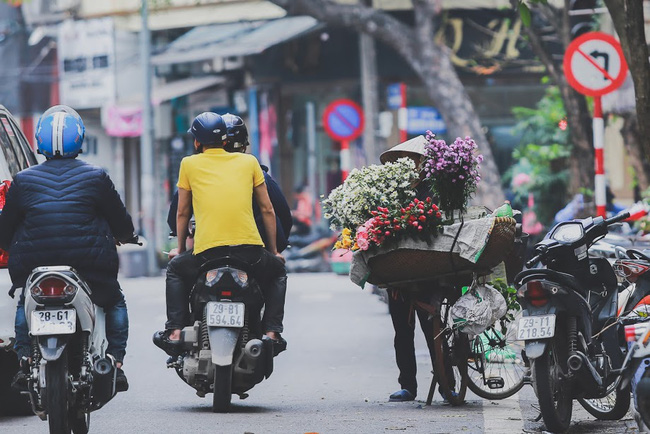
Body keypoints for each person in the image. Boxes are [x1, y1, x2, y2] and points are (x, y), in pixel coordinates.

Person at [0, 105, 135, 391]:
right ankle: (115, 361)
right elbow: (121, 222)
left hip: (34, 265)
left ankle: (24, 359)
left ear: (40, 141)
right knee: (113, 301)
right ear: (79, 139)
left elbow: (5, 229)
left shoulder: (23, 181)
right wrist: (126, 235)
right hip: (89, 265)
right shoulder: (97, 177)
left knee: (25, 298)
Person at [153, 112, 288, 357]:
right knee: (277, 271)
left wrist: (180, 248)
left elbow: (182, 213)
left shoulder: (188, 164)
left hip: (207, 255)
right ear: (225, 141)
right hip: (249, 253)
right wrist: (275, 251)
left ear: (196, 143)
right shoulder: (250, 163)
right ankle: (272, 333)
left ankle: (174, 331)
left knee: (175, 269)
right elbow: (268, 210)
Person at [379, 135, 437, 402]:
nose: (410, 164)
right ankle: (408, 385)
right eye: (406, 161)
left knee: (431, 327)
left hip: (428, 268)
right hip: (399, 271)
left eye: (414, 160)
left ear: (423, 163)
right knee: (402, 331)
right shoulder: (394, 190)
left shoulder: (433, 189)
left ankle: (445, 378)